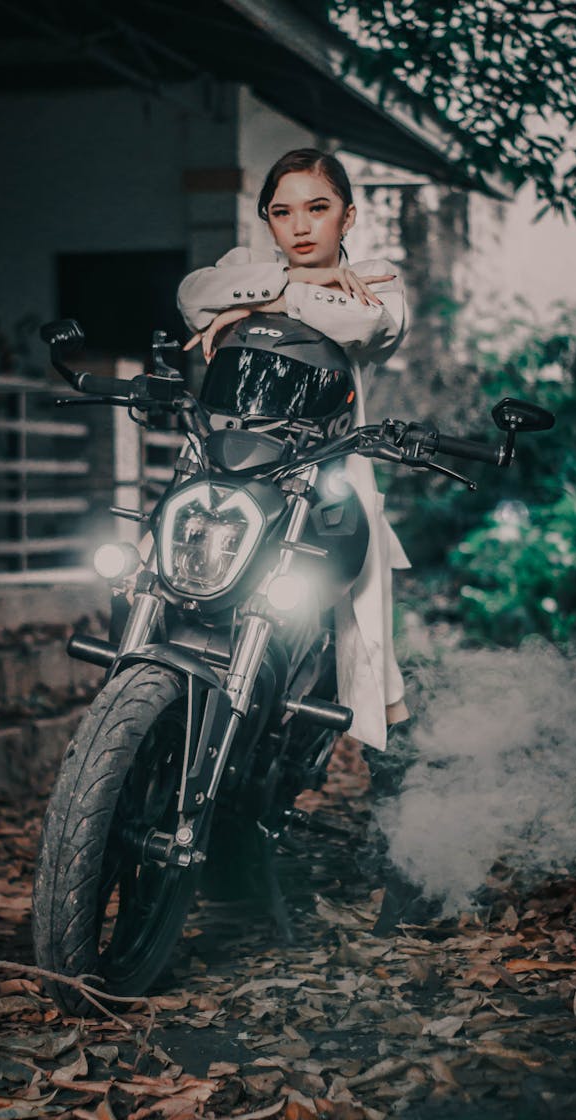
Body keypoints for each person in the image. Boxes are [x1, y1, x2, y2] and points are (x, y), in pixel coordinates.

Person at [176, 148, 411, 753]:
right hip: (233, 462)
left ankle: (384, 760)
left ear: (348, 217)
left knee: (361, 634)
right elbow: (191, 292)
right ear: (269, 220)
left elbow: (361, 323)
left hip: (324, 471)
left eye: (318, 208)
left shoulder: (378, 274)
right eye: (282, 212)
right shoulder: (242, 262)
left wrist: (248, 306)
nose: (300, 226)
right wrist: (303, 281)